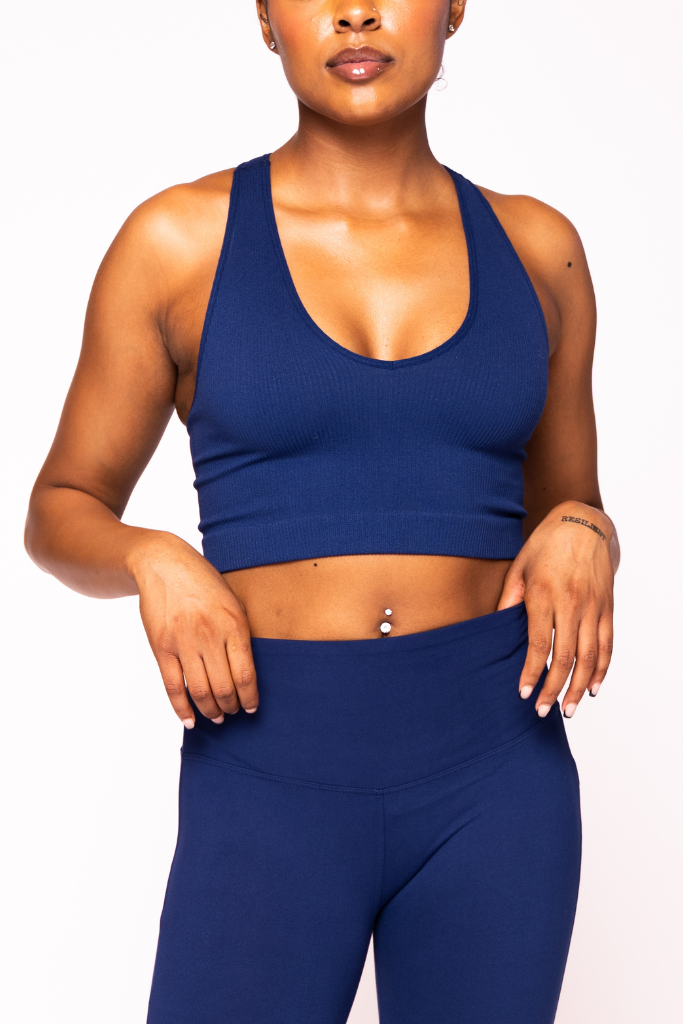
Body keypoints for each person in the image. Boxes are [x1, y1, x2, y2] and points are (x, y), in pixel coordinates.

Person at [25, 2, 619, 1021]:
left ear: (453, 8)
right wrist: (154, 558)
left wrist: (586, 530)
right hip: (266, 761)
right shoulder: (177, 243)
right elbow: (60, 506)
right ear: (265, 17)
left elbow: (573, 505)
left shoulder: (537, 249)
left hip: (495, 771)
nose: (355, 12)